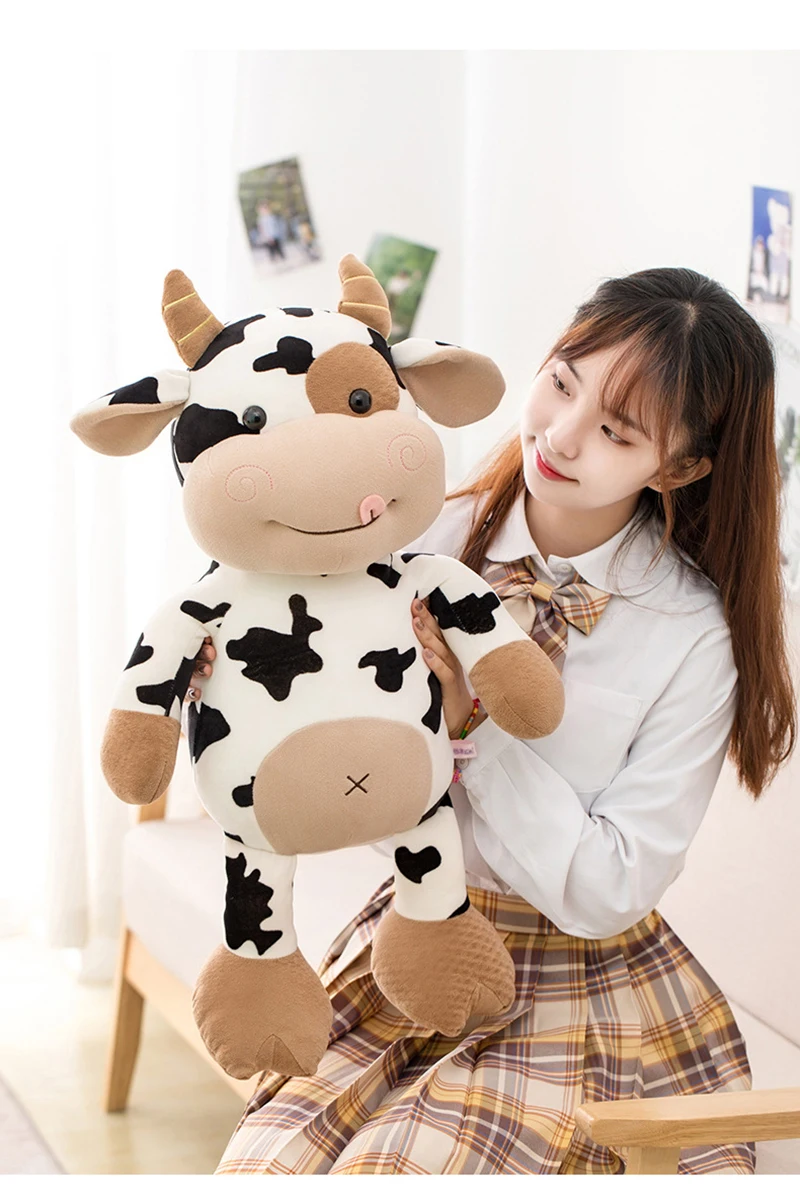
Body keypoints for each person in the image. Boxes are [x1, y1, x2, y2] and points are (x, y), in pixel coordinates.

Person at [188, 267, 797, 1175]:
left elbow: (611, 885)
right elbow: (346, 792)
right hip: (416, 929)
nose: (561, 433)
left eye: (616, 430)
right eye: (561, 382)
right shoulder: (418, 541)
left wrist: (475, 728)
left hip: (583, 985)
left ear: (680, 467)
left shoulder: (691, 634)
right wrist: (238, 690)